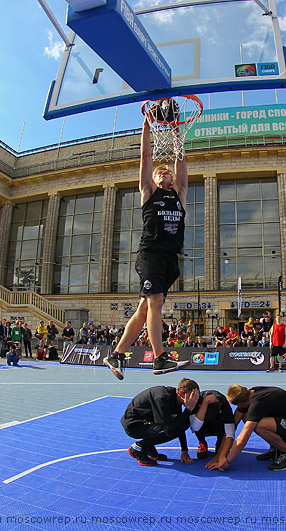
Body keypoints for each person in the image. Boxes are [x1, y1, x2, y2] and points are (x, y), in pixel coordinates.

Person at [104, 114, 190, 380]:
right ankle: (159, 357)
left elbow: (182, 160)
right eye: (160, 172)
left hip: (170, 259)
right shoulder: (149, 192)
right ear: (153, 179)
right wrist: (145, 126)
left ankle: (117, 354)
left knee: (144, 309)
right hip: (150, 254)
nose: (164, 171)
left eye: (168, 171)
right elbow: (145, 159)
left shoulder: (179, 194)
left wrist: (176, 131)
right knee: (155, 302)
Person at [211, 385, 286, 472]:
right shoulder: (249, 393)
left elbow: (242, 440)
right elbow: (231, 428)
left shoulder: (258, 402)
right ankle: (276, 448)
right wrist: (220, 456)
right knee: (246, 417)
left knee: (258, 425)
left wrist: (226, 461)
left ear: (240, 404)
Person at [121, 378, 199, 466]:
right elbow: (169, 429)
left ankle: (149, 447)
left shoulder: (176, 399)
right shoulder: (162, 398)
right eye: (192, 396)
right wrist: (188, 410)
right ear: (181, 393)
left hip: (147, 421)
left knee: (181, 423)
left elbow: (180, 425)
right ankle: (137, 447)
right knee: (168, 431)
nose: (194, 400)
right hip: (133, 425)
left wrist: (184, 451)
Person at [190, 389, 235, 468]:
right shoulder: (196, 401)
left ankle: (220, 442)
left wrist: (220, 456)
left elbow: (230, 433)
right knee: (197, 422)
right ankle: (202, 442)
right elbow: (195, 427)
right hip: (202, 419)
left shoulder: (224, 404)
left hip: (218, 422)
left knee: (222, 423)